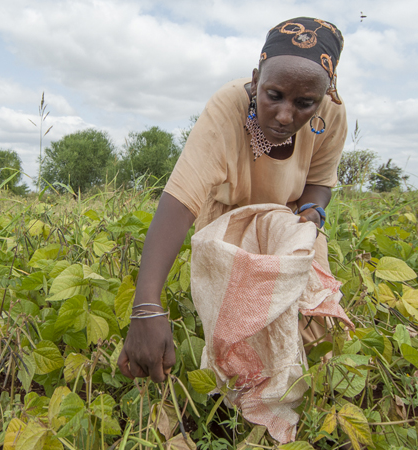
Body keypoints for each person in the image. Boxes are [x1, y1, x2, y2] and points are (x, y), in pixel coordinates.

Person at [117, 17, 347, 383]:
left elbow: (319, 181)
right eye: (274, 96)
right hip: (229, 221)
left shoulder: (332, 114)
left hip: (291, 222)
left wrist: (310, 216)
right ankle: (234, 412)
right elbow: (181, 199)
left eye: (305, 103)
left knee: (311, 329)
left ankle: (301, 409)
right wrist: (146, 307)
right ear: (256, 80)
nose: (286, 115)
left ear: (324, 97)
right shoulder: (227, 108)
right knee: (236, 336)